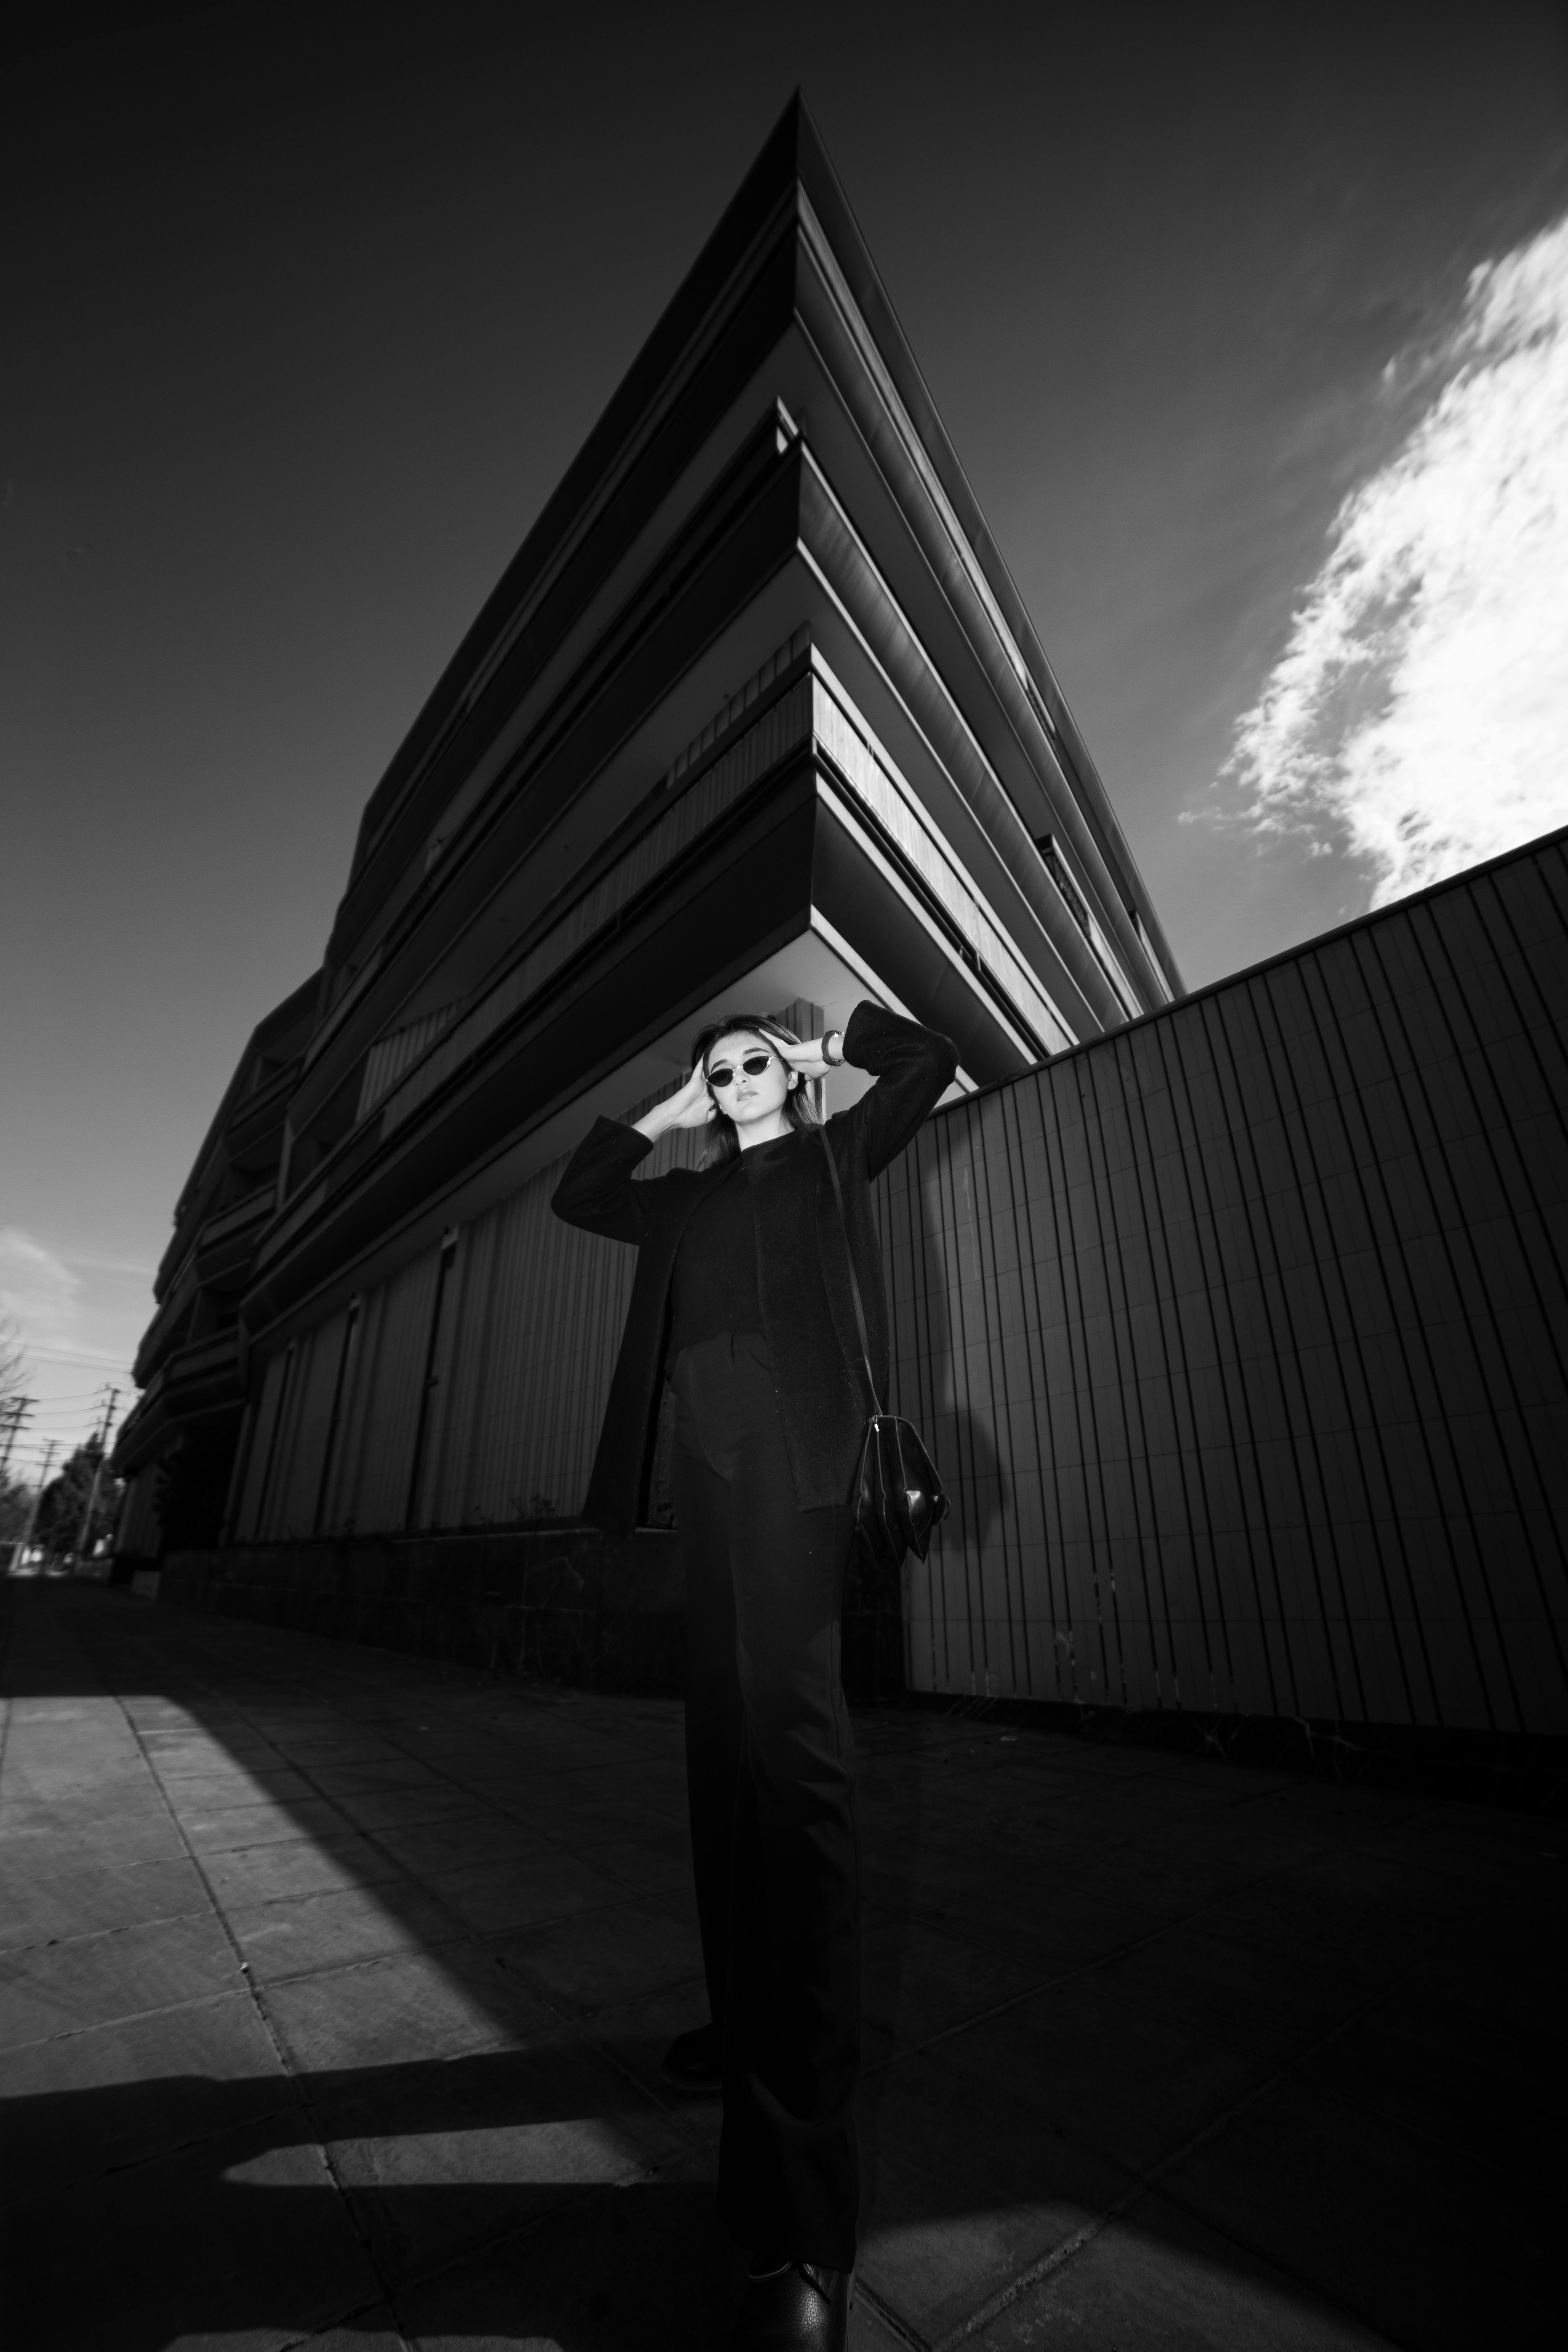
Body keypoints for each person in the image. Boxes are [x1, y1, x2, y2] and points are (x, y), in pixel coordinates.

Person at [552, 1000, 957, 2351]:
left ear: (788, 1074)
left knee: (799, 1798)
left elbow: (929, 1058)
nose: (729, 1083)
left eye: (749, 1066)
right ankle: (742, 2021)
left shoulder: (837, 1156)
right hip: (705, 1499)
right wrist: (667, 1110)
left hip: (796, 1491)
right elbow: (578, 1190)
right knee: (721, 1766)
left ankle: (800, 2228)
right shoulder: (681, 1198)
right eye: (714, 1071)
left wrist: (828, 1044)